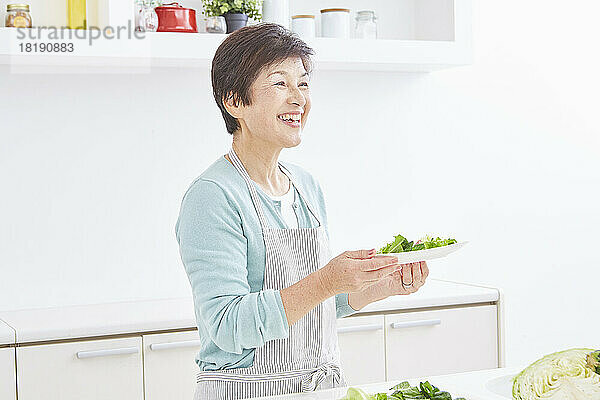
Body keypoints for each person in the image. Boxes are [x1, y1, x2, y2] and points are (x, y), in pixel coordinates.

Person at [175, 23, 429, 400]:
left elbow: (313, 306)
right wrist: (327, 279)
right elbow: (227, 325)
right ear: (234, 101)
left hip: (315, 389)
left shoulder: (305, 188)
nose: (299, 99)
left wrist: (381, 285)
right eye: (280, 84)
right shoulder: (213, 196)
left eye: (304, 84)